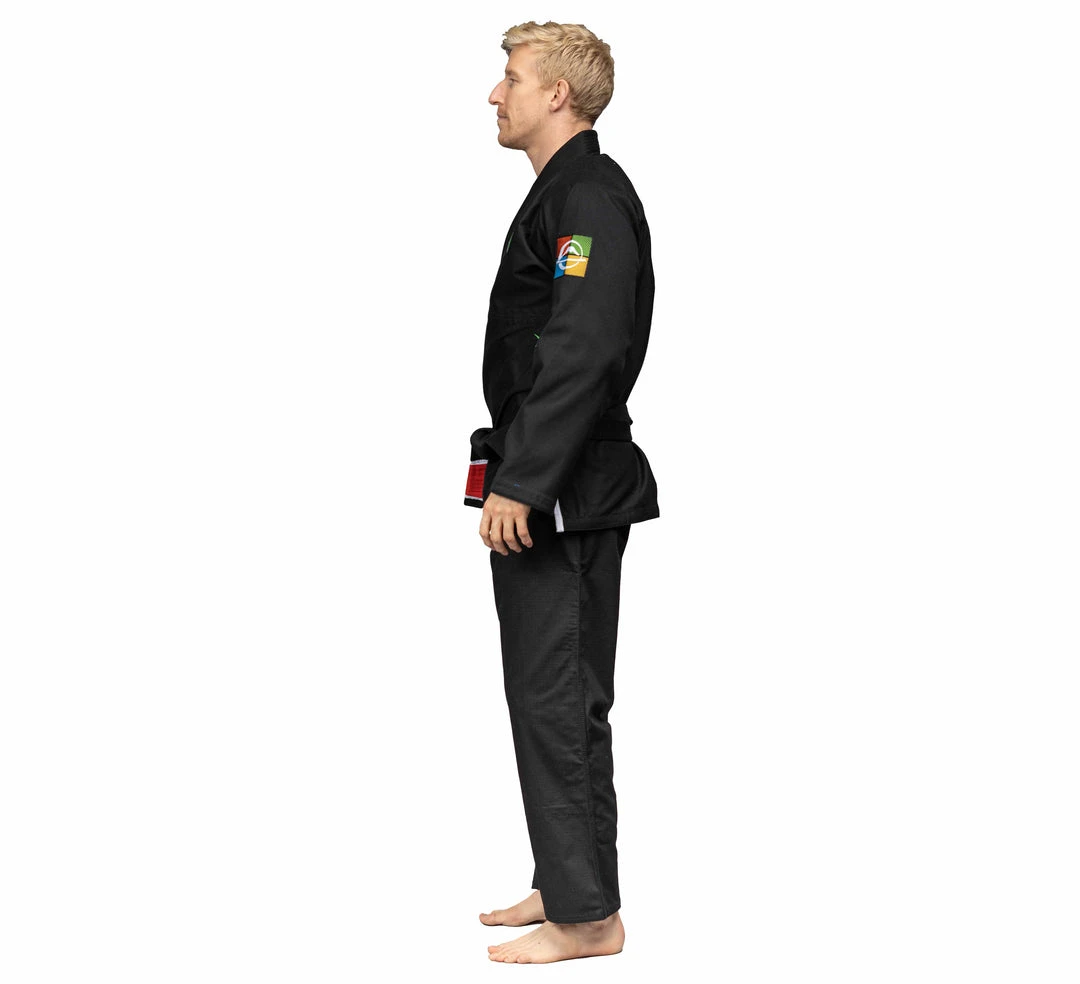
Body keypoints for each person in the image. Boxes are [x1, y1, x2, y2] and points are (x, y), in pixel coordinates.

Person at [463, 21, 659, 965]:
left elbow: (582, 349)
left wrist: (525, 482)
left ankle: (588, 919)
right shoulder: (565, 194)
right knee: (547, 695)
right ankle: (567, 877)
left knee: (557, 695)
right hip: (555, 484)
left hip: (565, 493)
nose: (494, 95)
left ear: (557, 96)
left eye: (511, 77)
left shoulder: (587, 198)